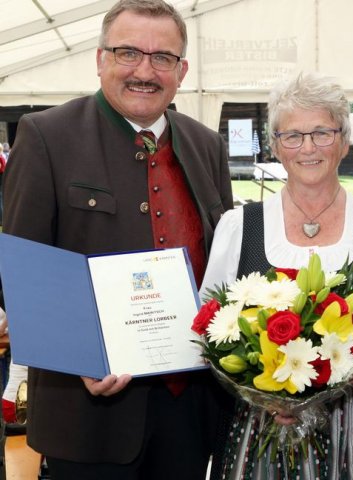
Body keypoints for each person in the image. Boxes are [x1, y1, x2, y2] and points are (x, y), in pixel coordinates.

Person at [2, 1, 233, 478]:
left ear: (182, 70)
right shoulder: (46, 135)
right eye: (128, 53)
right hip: (88, 414)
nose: (144, 71)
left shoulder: (207, 145)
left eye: (162, 58)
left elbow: (222, 266)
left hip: (190, 410)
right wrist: (76, 355)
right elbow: (23, 271)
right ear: (100, 58)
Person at [201, 72, 353, 479]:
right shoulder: (238, 226)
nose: (308, 148)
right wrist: (263, 390)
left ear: (344, 140)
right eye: (293, 136)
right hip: (263, 421)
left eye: (322, 132)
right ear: (276, 146)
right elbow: (210, 328)